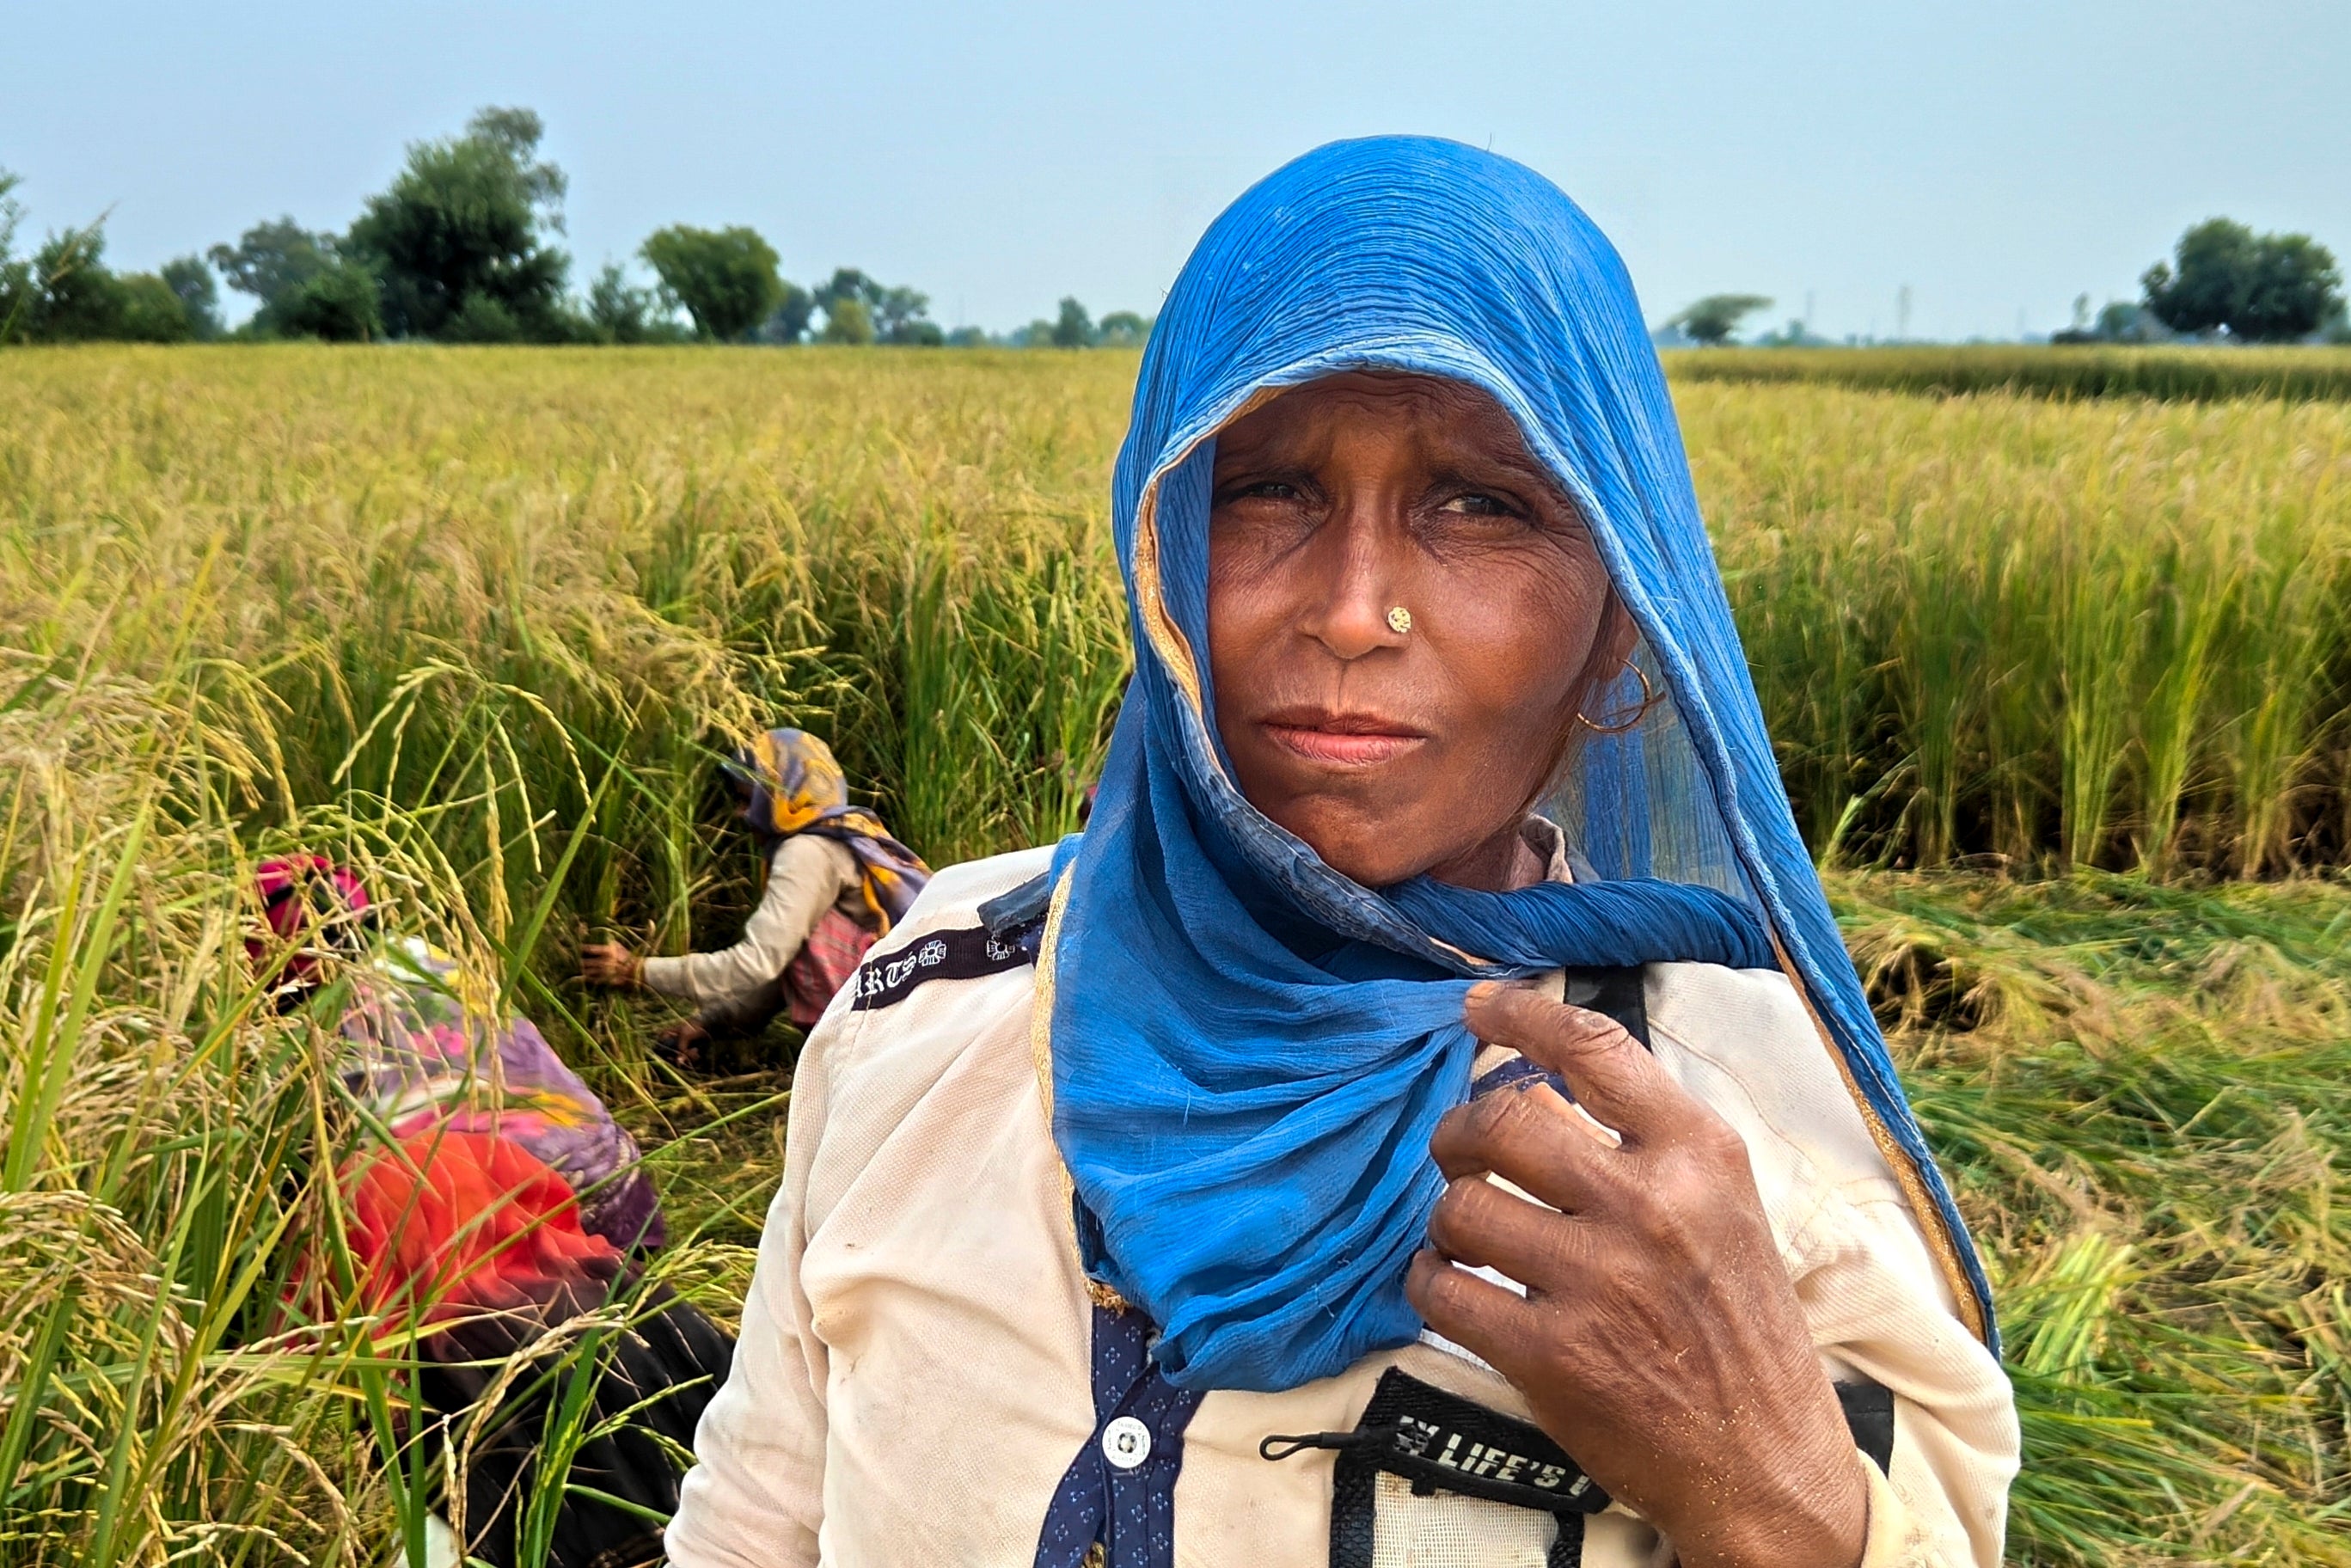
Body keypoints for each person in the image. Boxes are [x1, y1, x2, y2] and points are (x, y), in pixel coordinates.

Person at [666, 138, 2018, 1568]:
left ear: (1623, 627)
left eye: (1480, 503)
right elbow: (753, 1523)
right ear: (1159, 541)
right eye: (1269, 489)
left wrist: (1774, 1487)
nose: (1357, 608)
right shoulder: (932, 998)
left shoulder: (1731, 1141)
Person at [252, 856, 733, 1568]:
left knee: (497, 1447)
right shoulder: (435, 965)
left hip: (462, 1237)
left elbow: (306, 1316)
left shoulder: (307, 1050)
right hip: (592, 1196)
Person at [581, 729, 930, 1068]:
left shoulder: (806, 851)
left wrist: (637, 971)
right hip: (908, 1017)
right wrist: (713, 1022)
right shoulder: (846, 834)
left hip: (877, 1032)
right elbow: (789, 966)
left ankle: (848, 1055)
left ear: (781, 792)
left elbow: (755, 964)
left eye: (747, 799)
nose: (740, 815)